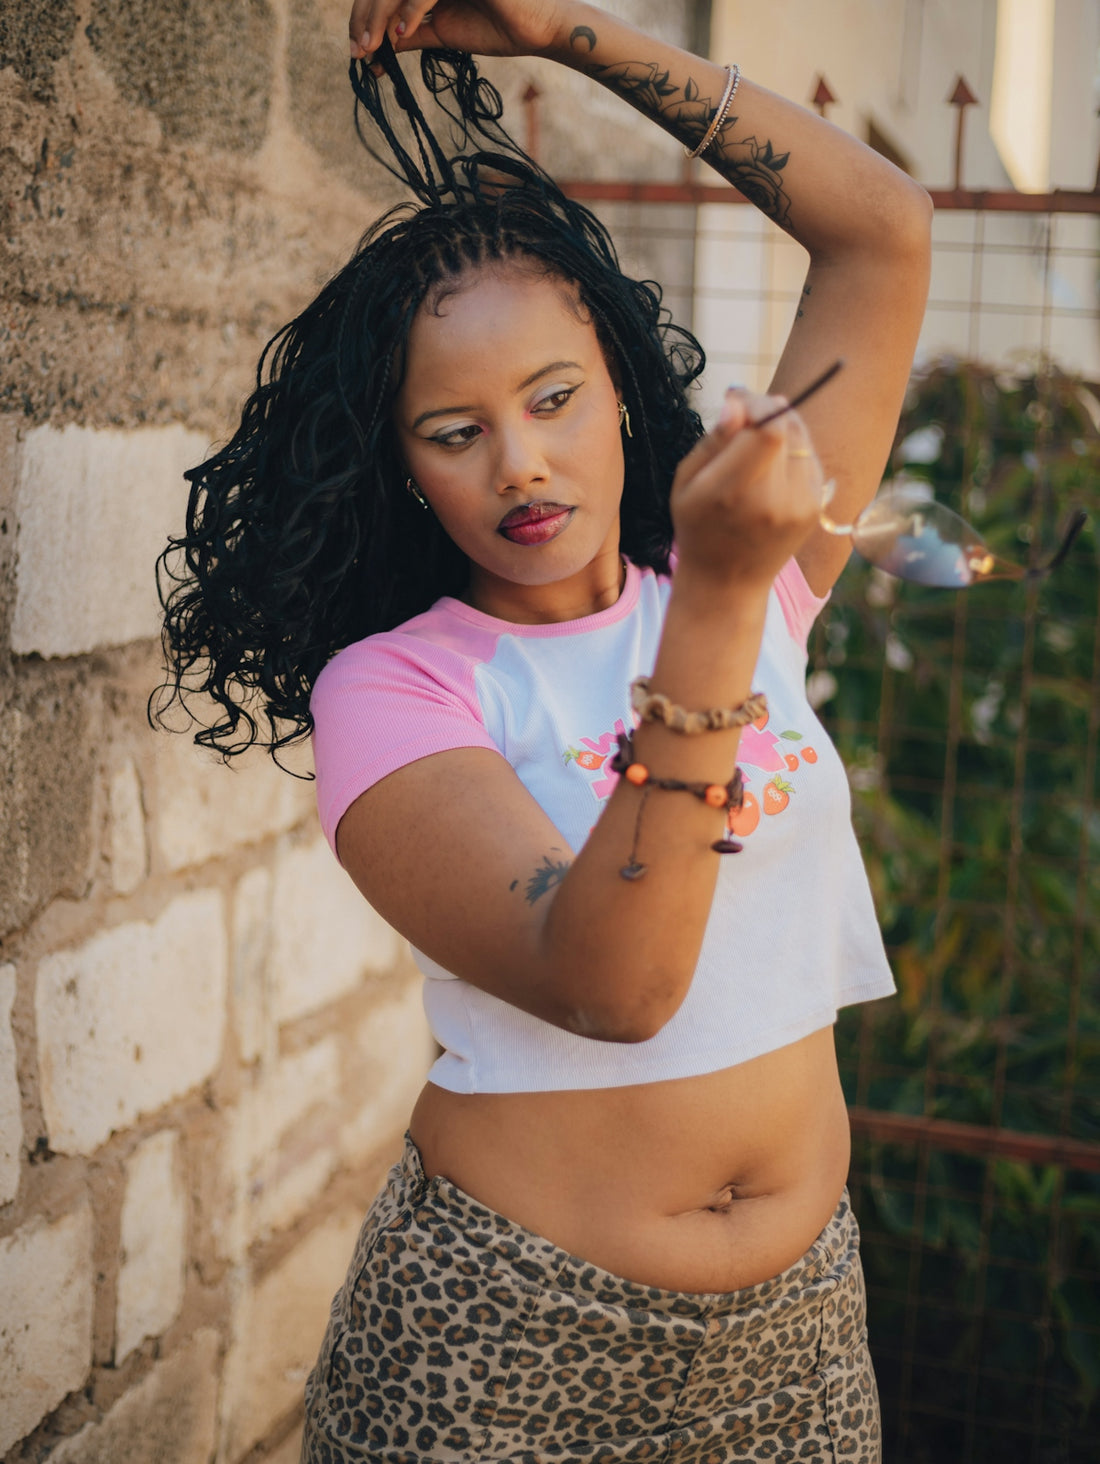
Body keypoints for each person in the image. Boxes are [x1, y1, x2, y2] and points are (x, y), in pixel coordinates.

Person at [157, 2, 931, 1457]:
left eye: (555, 398)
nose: (521, 462)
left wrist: (565, 32)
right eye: (455, 434)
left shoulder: (744, 582)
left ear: (622, 392)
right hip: (507, 1334)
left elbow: (883, 232)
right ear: (404, 470)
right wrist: (721, 595)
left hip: (802, 1332)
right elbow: (614, 987)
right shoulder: (400, 688)